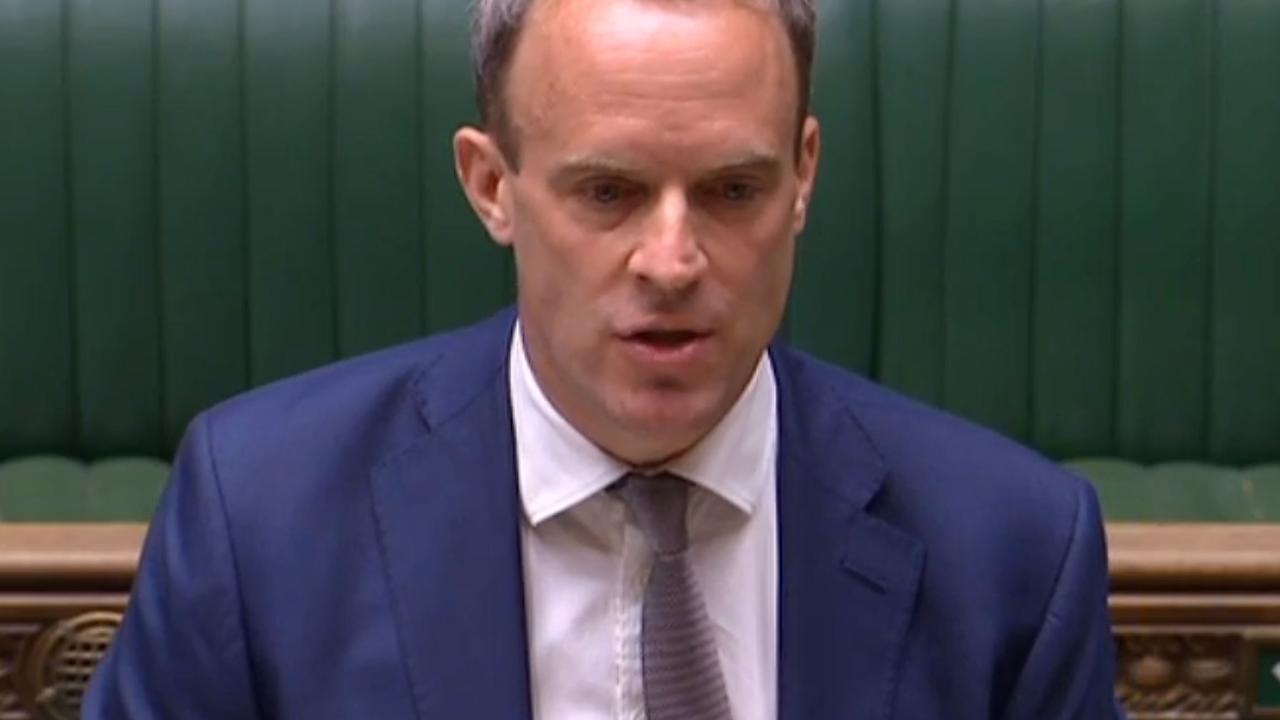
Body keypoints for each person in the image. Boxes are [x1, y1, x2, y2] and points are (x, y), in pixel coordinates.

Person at [84, 0, 1125, 717]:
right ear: (490, 185)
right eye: (606, 192)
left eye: (731, 191)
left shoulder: (1013, 552)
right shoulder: (259, 520)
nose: (671, 262)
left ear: (802, 174)